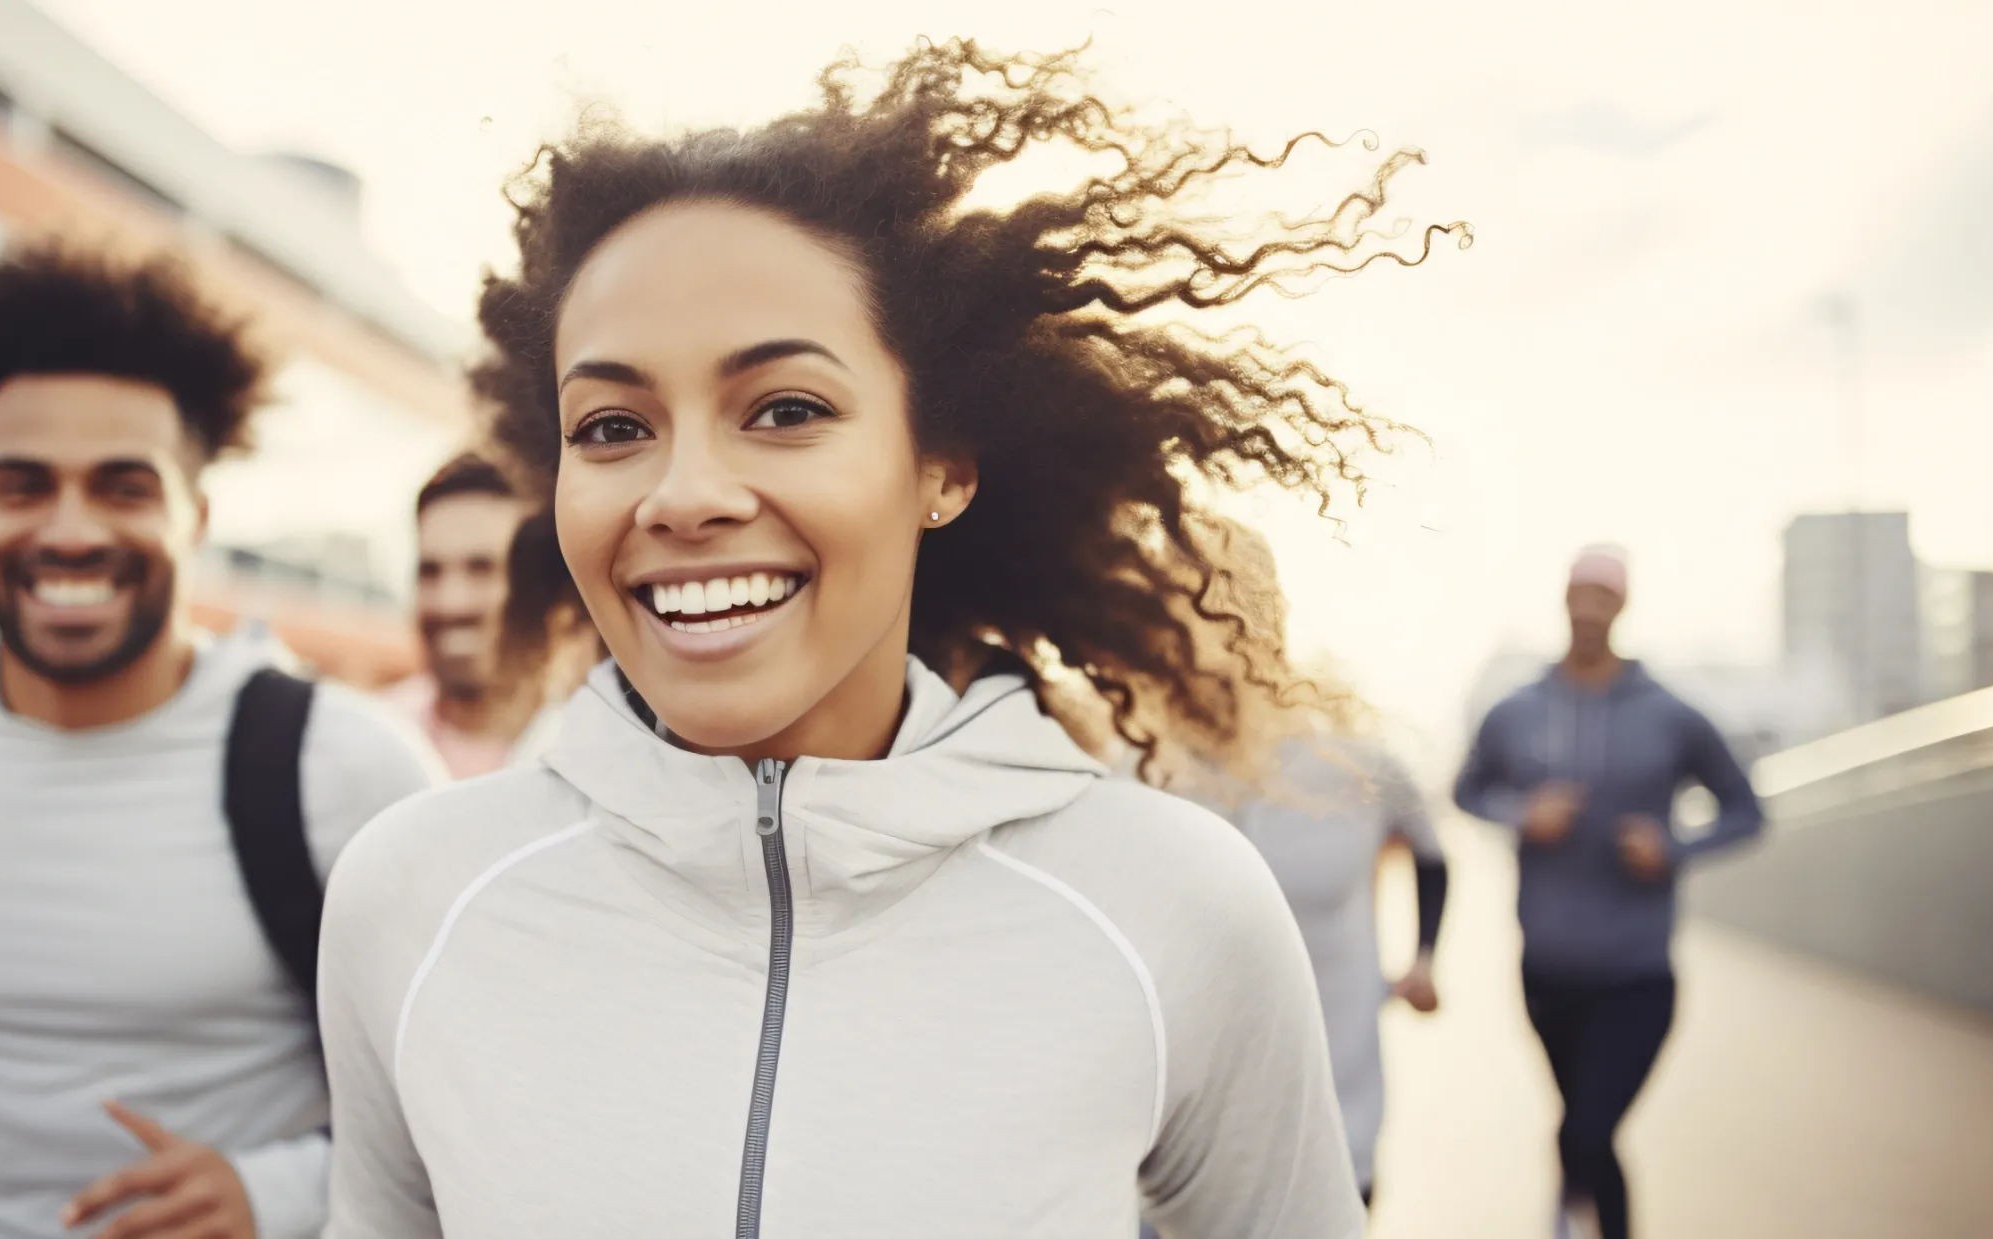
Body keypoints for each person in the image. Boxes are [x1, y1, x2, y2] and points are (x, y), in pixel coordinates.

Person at [318, 40, 1463, 1237]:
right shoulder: (413, 896)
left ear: (940, 466)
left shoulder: (1171, 906)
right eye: (611, 426)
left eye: (788, 410)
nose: (683, 493)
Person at [0, 242, 439, 1239]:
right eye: (23, 484)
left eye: (123, 486)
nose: (69, 530)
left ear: (194, 516)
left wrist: (278, 1194)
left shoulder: (346, 770)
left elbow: (462, 1091)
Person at [1453, 546, 1765, 1239]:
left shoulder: (1672, 714)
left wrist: (1674, 847)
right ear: (1564, 599)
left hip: (1636, 972)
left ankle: (1583, 1214)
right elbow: (1466, 789)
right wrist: (1521, 812)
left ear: (1622, 605)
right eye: (1580, 592)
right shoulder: (1516, 710)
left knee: (1592, 1128)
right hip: (1546, 968)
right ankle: (1570, 1209)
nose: (1590, 606)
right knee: (1576, 1123)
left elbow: (1747, 808)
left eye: (1604, 594)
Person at [1154, 525, 1448, 1214]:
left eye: (1219, 607)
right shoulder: (1133, 766)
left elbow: (1432, 853)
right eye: (1176, 605)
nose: (1196, 631)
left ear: (1268, 618)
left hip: (1333, 1138)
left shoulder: (1355, 765)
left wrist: (1425, 955)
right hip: (1163, 1165)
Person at [381, 454, 587, 779]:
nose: (451, 602)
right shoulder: (372, 740)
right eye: (430, 572)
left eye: (483, 569)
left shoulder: (596, 758)